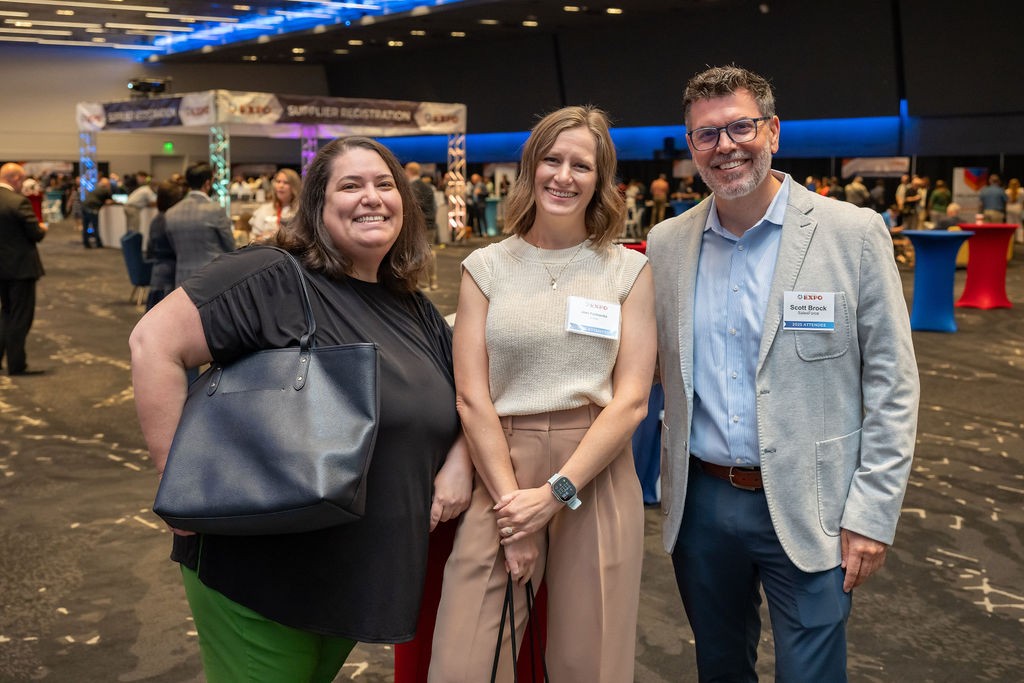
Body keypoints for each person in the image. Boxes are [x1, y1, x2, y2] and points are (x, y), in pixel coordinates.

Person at [129, 136, 472, 682]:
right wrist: (180, 485)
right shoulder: (274, 276)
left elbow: (462, 395)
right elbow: (153, 344)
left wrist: (460, 460)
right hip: (262, 571)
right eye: (351, 185)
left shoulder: (409, 305)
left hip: (348, 578)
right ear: (317, 204)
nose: (372, 197)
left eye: (385, 185)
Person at [646, 65, 920, 682]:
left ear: (773, 131)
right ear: (691, 146)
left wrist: (872, 513)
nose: (725, 147)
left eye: (740, 127)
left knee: (811, 674)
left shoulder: (851, 233)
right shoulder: (666, 244)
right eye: (706, 135)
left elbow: (894, 384)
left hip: (814, 502)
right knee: (718, 667)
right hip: (702, 504)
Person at [428, 105, 656, 683]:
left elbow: (630, 400)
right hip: (501, 464)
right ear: (530, 170)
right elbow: (472, 398)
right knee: (464, 657)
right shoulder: (486, 267)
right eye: (552, 160)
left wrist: (555, 494)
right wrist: (515, 512)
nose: (564, 176)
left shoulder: (627, 271)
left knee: (592, 660)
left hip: (594, 468)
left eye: (582, 165)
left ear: (601, 180)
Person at [0, 163, 48, 376]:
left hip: (1, 268)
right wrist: (42, 228)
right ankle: (16, 364)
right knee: (20, 317)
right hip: (21, 269)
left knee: (5, 313)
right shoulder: (19, 202)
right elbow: (35, 234)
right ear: (16, 179)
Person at [164, 162, 236, 287]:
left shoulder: (171, 212)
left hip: (182, 280)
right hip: (212, 280)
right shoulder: (215, 210)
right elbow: (230, 246)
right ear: (208, 183)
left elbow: (173, 248)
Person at [144, 179, 186, 310]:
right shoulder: (169, 220)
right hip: (168, 276)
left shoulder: (158, 219)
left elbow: (150, 249)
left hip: (158, 274)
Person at [405, 162, 439, 290]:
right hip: (431, 224)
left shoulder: (413, 188)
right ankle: (433, 282)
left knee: (421, 254)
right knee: (430, 253)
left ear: (409, 171)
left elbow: (412, 209)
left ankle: (423, 283)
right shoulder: (428, 187)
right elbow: (434, 207)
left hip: (421, 225)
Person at [248, 168, 301, 242]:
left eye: (286, 183)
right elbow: (253, 239)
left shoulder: (300, 212)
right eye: (278, 181)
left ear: (294, 186)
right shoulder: (264, 210)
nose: (281, 186)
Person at [81, 176, 112, 248]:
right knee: (95, 226)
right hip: (93, 208)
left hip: (84, 207)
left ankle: (86, 243)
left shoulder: (95, 189)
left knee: (86, 226)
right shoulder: (105, 190)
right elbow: (109, 201)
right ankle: (98, 243)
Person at [1004, 177, 1022, 242]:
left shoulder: (1007, 191)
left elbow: (1005, 201)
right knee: (1019, 224)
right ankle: (1019, 239)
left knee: (1010, 224)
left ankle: (1010, 239)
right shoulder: (1022, 191)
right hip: (1018, 208)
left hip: (1009, 208)